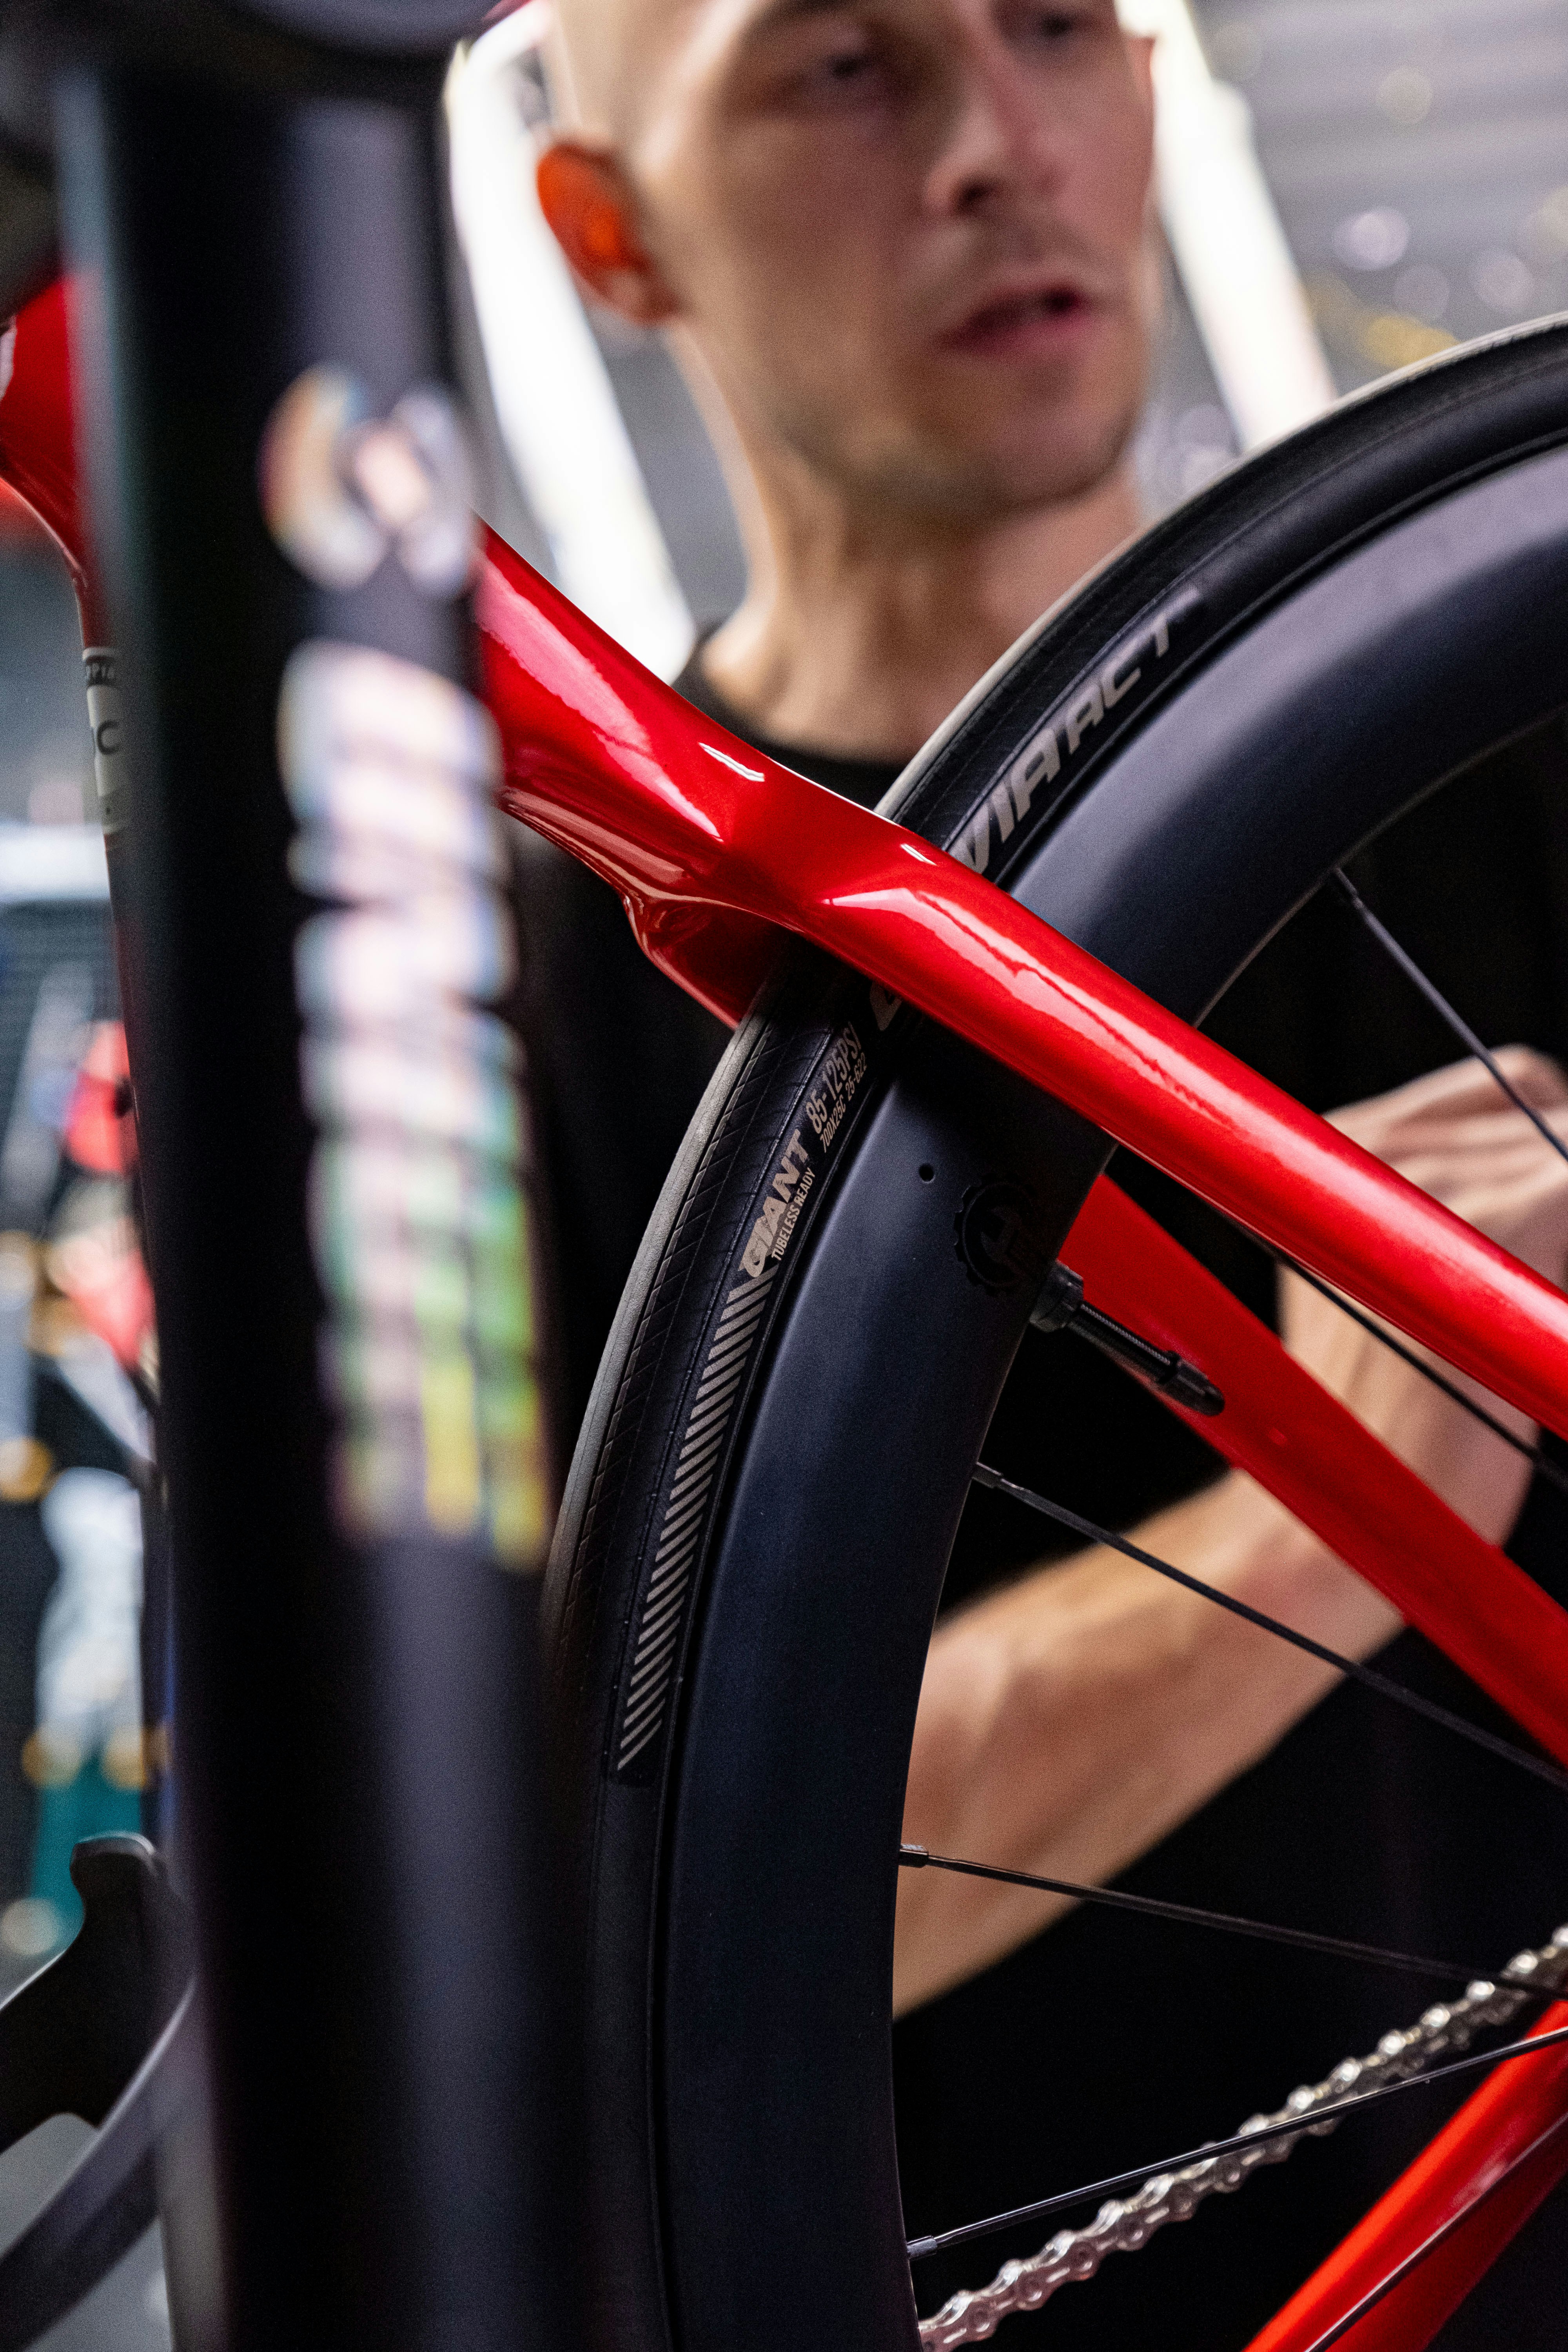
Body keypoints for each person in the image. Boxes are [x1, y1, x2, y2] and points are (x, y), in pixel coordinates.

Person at [517, 0, 1568, 2339]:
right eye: (844, 67)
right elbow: (530, 1952)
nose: (1004, 144)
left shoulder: (1523, 745)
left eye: (1059, 27)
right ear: (613, 234)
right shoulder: (483, 1010)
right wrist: (1327, 1507)